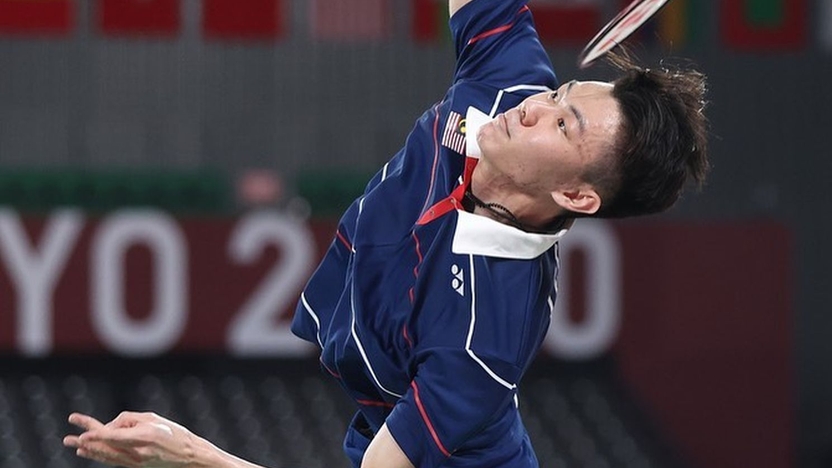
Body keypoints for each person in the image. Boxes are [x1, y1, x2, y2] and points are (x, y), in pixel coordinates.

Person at [63, 0, 709, 467]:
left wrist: (187, 455)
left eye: (564, 125)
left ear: (575, 196)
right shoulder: (507, 85)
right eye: (560, 92)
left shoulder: (484, 335)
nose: (535, 107)